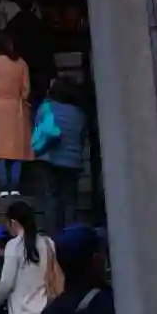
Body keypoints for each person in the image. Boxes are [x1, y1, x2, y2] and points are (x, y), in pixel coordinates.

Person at [33, 76, 88, 233]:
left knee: (51, 197)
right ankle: (70, 234)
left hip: (50, 159)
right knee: (70, 200)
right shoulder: (79, 113)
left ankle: (52, 234)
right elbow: (81, 139)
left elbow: (40, 130)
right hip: (72, 162)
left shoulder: (46, 108)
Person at [0, 30, 32, 197]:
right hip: (16, 108)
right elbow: (26, 90)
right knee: (17, 149)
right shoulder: (21, 64)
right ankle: (15, 185)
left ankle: (3, 186)